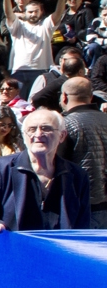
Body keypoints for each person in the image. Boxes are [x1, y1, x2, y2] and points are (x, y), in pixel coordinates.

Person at [0, 108, 91, 231]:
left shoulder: (77, 175)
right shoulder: (2, 168)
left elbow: (83, 223)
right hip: (15, 246)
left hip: (59, 248)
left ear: (62, 136)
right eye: (32, 129)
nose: (38, 134)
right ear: (24, 136)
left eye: (46, 128)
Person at [56, 76, 107, 227]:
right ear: (91, 97)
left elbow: (58, 165)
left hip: (81, 205)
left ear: (64, 97)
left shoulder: (65, 124)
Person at [4, 0, 67, 92]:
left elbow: (58, 13)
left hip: (41, 70)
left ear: (41, 12)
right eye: (30, 12)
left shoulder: (46, 26)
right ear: (25, 12)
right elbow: (8, 13)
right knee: (18, 102)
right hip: (19, 70)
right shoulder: (18, 26)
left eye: (36, 11)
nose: (33, 14)